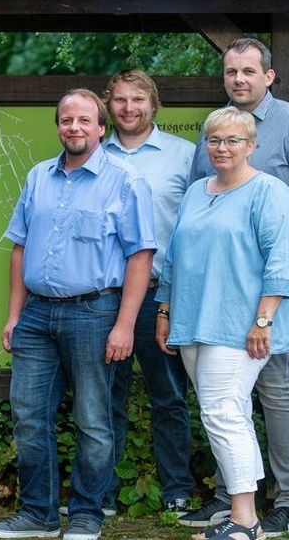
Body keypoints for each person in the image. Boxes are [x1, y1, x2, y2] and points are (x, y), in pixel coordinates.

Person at [0, 88, 156, 540]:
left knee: (94, 419)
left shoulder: (125, 179)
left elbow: (141, 257)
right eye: (66, 120)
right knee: (28, 414)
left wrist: (124, 325)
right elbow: (20, 249)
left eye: (84, 120)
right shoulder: (38, 176)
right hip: (37, 315)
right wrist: (14, 316)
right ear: (58, 126)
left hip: (96, 312)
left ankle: (86, 514)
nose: (74, 128)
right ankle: (37, 514)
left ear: (101, 128)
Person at [181, 38, 289, 537]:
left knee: (276, 392)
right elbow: (198, 211)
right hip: (216, 302)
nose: (239, 79)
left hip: (271, 295)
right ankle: (232, 498)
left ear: (269, 76)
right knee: (225, 400)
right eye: (231, 71)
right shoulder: (215, 130)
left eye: (249, 70)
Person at [156, 106, 289, 540]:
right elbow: (174, 258)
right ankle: (245, 515)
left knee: (222, 413)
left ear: (251, 146)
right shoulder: (197, 191)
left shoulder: (269, 192)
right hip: (194, 320)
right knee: (227, 413)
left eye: (232, 140)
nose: (221, 148)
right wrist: (164, 310)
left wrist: (263, 318)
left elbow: (282, 261)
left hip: (243, 327)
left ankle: (244, 521)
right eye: (214, 140)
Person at [99, 69, 196, 515]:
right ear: (108, 105)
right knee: (104, 397)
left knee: (169, 396)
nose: (129, 108)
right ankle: (102, 495)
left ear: (154, 104)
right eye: (120, 100)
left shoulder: (184, 155)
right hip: (104, 297)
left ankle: (177, 489)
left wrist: (176, 295)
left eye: (138, 99)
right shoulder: (93, 155)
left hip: (162, 295)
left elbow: (197, 227)